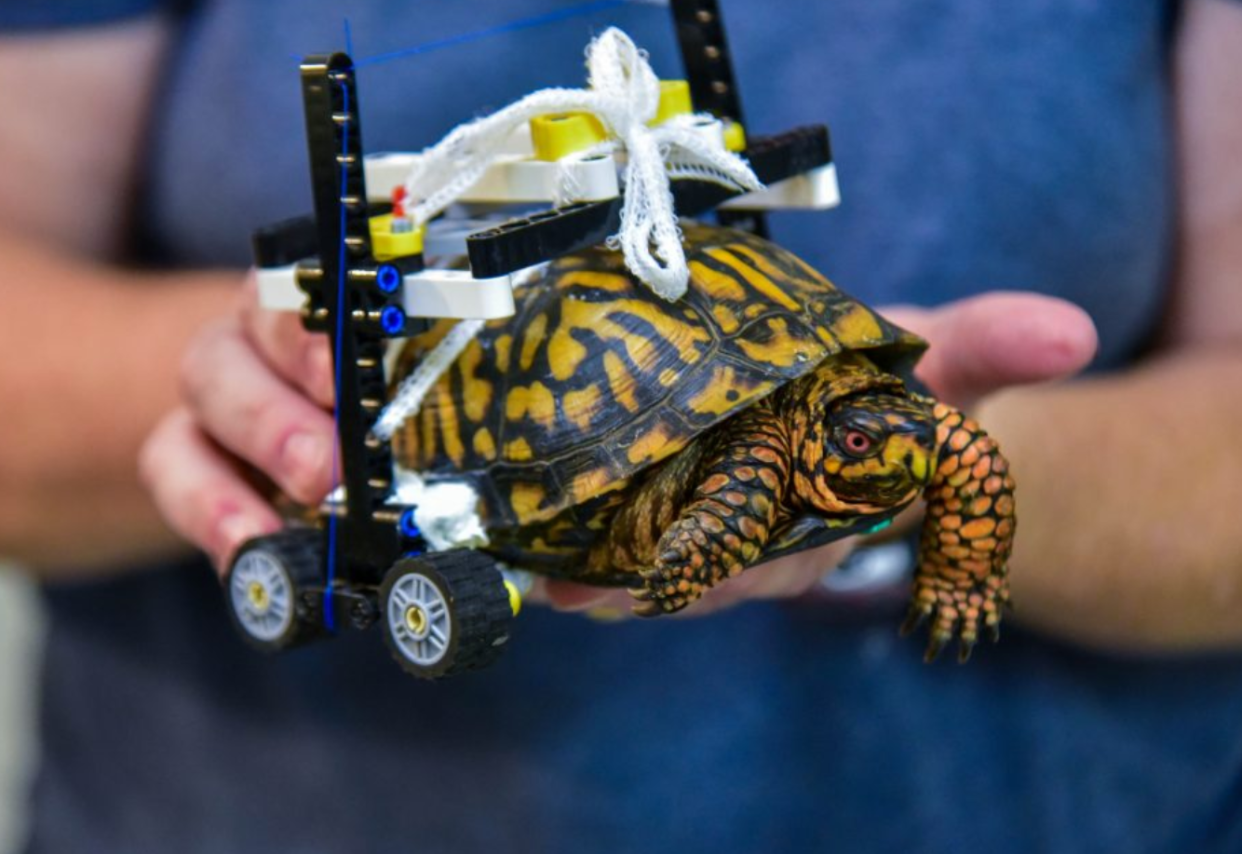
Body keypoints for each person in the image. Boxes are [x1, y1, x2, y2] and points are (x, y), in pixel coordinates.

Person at [3, 0, 1241, 851]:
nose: (889, 444)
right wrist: (268, 385)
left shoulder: (864, 431)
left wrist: (939, 498)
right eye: (866, 441)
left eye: (874, 437)